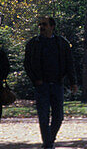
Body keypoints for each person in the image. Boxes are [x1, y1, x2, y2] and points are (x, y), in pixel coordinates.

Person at [24, 16, 76, 149]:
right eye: (40, 24)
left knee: (58, 117)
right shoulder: (33, 44)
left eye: (45, 24)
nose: (42, 27)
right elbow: (27, 64)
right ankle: (47, 144)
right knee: (43, 116)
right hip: (41, 85)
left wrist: (72, 82)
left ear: (52, 27)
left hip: (57, 84)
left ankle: (50, 139)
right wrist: (35, 79)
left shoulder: (62, 43)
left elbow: (69, 63)